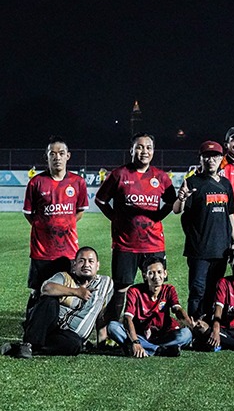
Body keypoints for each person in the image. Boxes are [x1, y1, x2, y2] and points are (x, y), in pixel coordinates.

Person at [95, 132, 177, 328]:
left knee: (156, 287)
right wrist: (115, 217)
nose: (144, 151)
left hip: (154, 244)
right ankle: (112, 329)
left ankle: (155, 327)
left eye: (148, 147)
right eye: (139, 147)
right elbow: (100, 200)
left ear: (153, 151)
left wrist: (159, 216)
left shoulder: (161, 177)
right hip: (126, 245)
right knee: (121, 288)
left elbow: (172, 203)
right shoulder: (119, 175)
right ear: (131, 150)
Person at [173, 140, 234, 322]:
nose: (211, 160)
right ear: (200, 159)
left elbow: (230, 213)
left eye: (215, 156)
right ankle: (193, 323)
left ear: (221, 158)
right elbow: (178, 209)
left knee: (214, 289)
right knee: (197, 289)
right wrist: (182, 197)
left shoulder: (226, 184)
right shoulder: (193, 182)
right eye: (207, 156)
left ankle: (208, 322)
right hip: (199, 249)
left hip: (221, 248)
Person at [22, 136, 89, 310]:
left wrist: (66, 224)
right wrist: (43, 227)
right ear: (47, 157)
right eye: (52, 153)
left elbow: (80, 211)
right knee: (38, 291)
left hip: (68, 251)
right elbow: (28, 214)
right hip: (41, 251)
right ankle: (30, 326)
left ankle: (59, 327)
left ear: (68, 156)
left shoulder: (78, 182)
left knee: (66, 289)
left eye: (61, 153)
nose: (57, 157)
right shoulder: (36, 182)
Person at [12, 247, 113, 358]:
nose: (86, 265)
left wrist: (102, 340)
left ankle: (25, 348)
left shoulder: (106, 283)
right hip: (52, 328)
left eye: (90, 261)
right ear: (74, 265)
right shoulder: (64, 277)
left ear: (97, 265)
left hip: (69, 337)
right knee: (49, 300)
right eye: (81, 261)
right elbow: (46, 288)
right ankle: (27, 344)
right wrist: (76, 292)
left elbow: (101, 312)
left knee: (75, 345)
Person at [107, 257, 194, 357]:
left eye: (159, 272)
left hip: (163, 336)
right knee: (113, 327)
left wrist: (190, 323)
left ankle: (146, 348)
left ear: (165, 274)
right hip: (139, 336)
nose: (156, 276)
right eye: (151, 273)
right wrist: (135, 341)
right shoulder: (134, 291)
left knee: (186, 334)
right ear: (145, 276)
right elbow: (128, 318)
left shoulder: (169, 289)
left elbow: (177, 310)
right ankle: (159, 350)